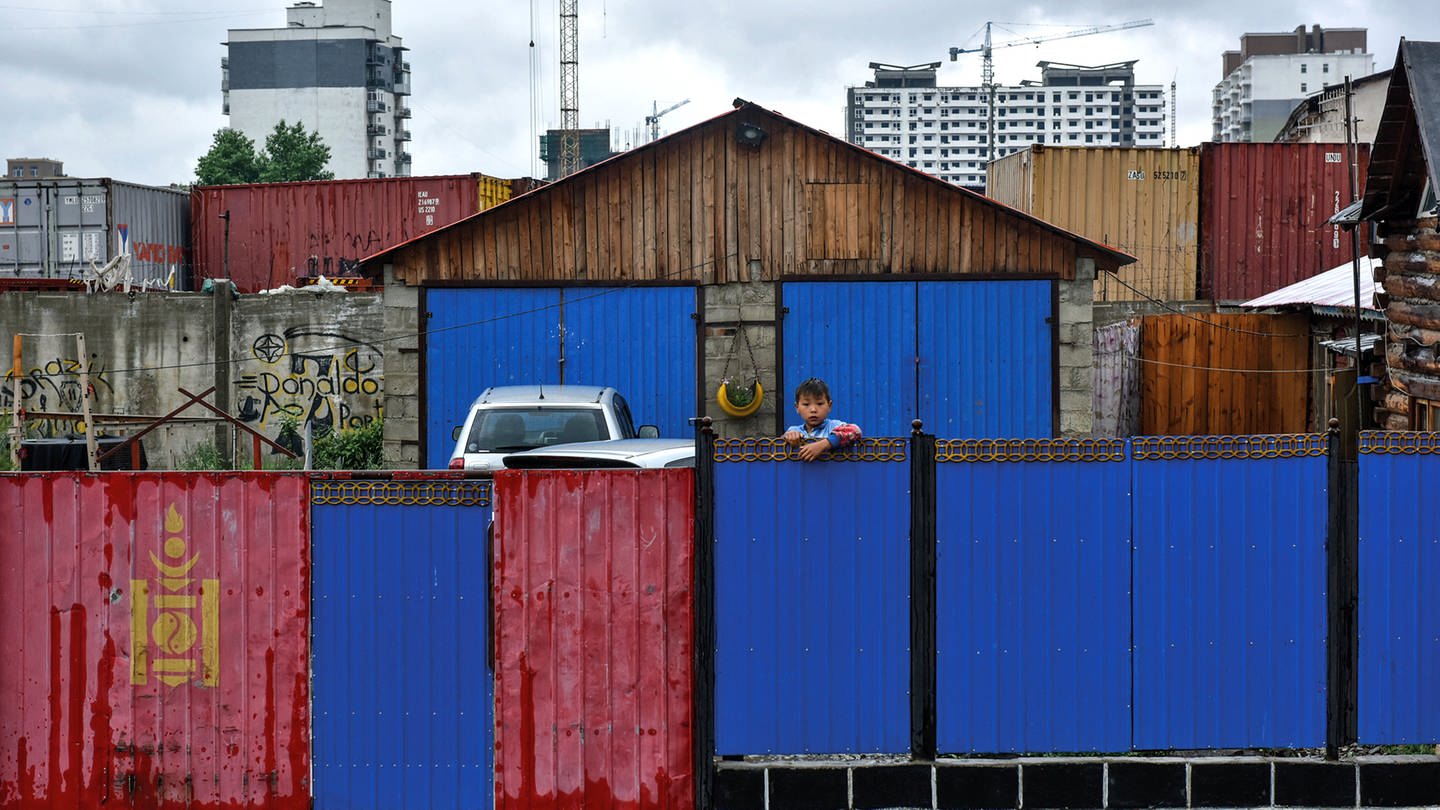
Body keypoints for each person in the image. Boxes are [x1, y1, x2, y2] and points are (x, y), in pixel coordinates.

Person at [783, 377, 862, 462]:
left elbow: (856, 431)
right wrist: (789, 437)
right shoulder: (794, 430)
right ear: (797, 407)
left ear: (829, 405)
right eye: (806, 404)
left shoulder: (834, 426)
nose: (813, 409)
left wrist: (823, 444)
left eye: (820, 404)